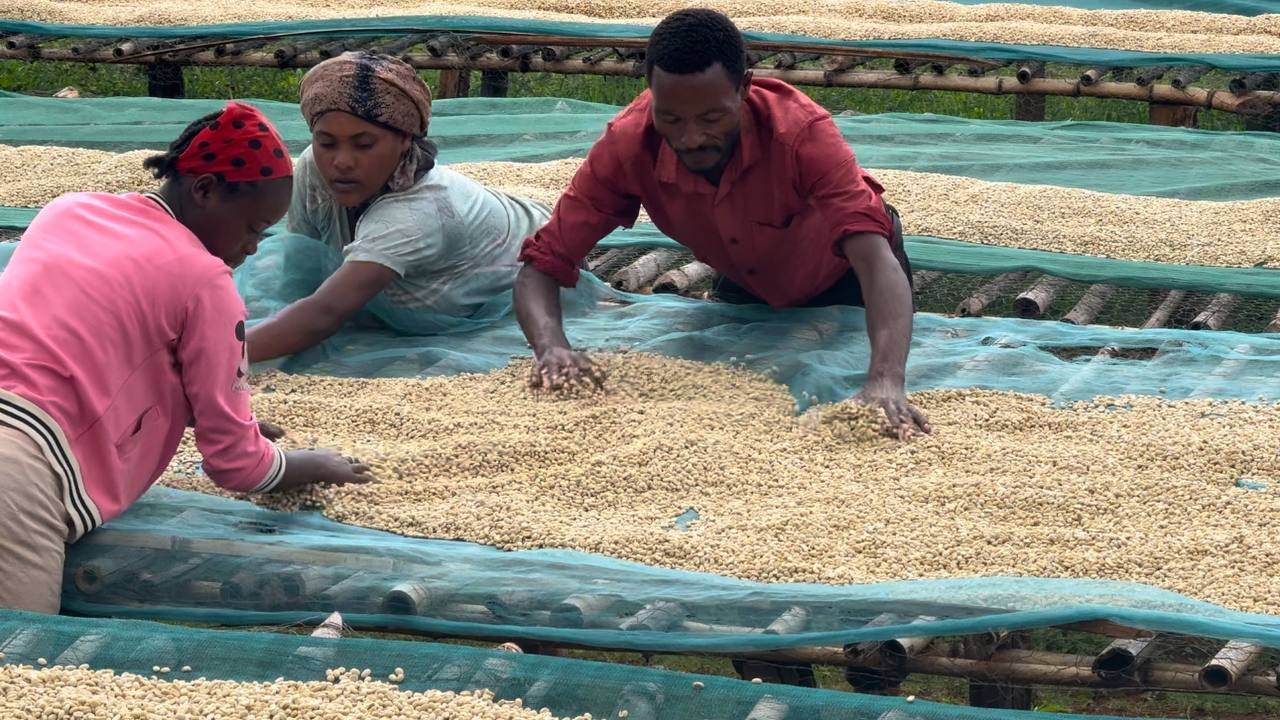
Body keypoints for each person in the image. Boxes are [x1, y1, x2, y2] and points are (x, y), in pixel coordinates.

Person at [0, 102, 372, 615]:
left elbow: (88, 347)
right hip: (18, 472)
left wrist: (195, 409)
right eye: (253, 228)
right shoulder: (206, 282)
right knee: (18, 663)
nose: (252, 249)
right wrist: (306, 464)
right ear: (205, 190)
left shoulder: (68, 209)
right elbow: (236, 464)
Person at [515, 9, 929, 438]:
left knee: (868, 387)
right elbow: (542, 264)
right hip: (745, 274)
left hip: (846, 277)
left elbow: (875, 260)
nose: (691, 137)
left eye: (712, 119)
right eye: (671, 118)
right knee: (749, 405)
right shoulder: (628, 144)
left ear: (744, 89)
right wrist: (551, 349)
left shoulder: (801, 135)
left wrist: (885, 380)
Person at [246, 52, 552, 361]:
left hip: (538, 262)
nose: (341, 162)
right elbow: (301, 266)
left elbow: (327, 311)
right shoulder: (314, 164)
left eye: (364, 145)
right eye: (327, 143)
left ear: (406, 140)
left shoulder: (415, 216)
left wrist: (219, 355)